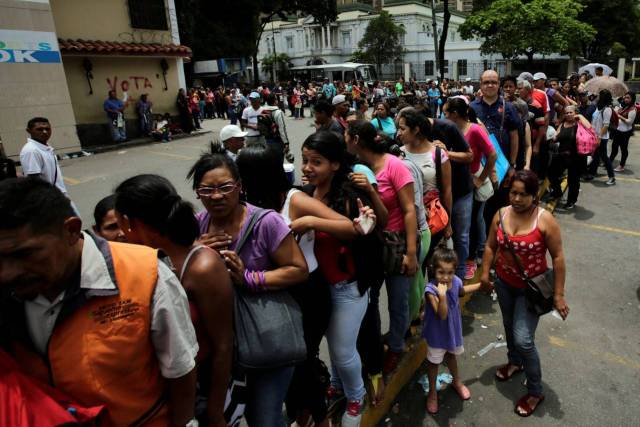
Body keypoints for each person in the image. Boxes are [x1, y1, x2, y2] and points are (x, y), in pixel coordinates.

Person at [0, 178, 199, 426]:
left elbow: (180, 371)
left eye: (24, 254)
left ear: (71, 230)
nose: (6, 273)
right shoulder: (10, 290)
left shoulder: (147, 275)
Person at [236, 144, 372, 427]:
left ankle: (317, 413)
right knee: (282, 361)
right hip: (270, 292)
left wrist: (310, 221)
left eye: (241, 173)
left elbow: (350, 227)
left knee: (301, 358)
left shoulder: (293, 200)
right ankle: (302, 408)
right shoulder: (242, 202)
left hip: (307, 291)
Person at [187, 146, 308, 427]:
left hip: (265, 338)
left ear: (239, 187)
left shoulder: (266, 222)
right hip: (222, 347)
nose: (216, 196)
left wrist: (250, 278)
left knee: (264, 418)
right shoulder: (198, 225)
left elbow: (298, 270)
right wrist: (195, 251)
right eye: (206, 190)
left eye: (224, 187)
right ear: (197, 193)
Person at [114, 174, 234, 427]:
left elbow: (223, 345)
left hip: (200, 389)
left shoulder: (202, 267)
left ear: (129, 223)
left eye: (118, 225)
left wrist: (214, 411)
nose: (119, 235)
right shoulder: (139, 262)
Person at [301, 131, 381, 426]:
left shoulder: (349, 197)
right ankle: (336, 383)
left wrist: (310, 221)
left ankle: (356, 397)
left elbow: (362, 230)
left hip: (348, 288)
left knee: (343, 349)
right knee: (332, 343)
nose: (307, 167)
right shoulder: (306, 194)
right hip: (318, 288)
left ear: (335, 164)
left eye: (316, 162)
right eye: (305, 160)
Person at [480, 170, 569, 417]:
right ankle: (514, 362)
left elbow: (558, 258)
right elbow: (490, 246)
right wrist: (486, 273)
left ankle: (536, 390)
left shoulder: (545, 220)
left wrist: (559, 295)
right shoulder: (500, 214)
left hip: (531, 290)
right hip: (504, 283)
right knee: (509, 325)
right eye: (513, 193)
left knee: (523, 339)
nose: (517, 199)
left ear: (534, 197)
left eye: (523, 194)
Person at [346, 120, 419, 375]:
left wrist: (411, 253)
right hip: (371, 245)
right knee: (371, 302)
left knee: (398, 302)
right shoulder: (357, 168)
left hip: (397, 242)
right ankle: (375, 348)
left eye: (346, 136)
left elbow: (410, 210)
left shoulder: (394, 165)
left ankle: (397, 346)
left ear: (355, 140)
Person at [423, 247, 488, 414]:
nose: (445, 277)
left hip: (452, 331)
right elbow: (442, 315)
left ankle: (456, 382)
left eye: (450, 272)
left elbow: (461, 290)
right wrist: (442, 296)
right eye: (441, 272)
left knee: (451, 356)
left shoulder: (456, 281)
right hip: (437, 335)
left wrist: (481, 285)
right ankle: (432, 393)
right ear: (433, 270)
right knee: (434, 363)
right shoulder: (431, 291)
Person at [444, 97, 497, 279]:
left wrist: (481, 179)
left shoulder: (474, 129)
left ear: (455, 114)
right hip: (455, 182)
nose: (443, 117)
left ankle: (473, 258)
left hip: (471, 180)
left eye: (445, 113)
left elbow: (492, 155)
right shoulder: (450, 130)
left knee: (473, 223)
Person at [397, 109, 453, 261]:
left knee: (430, 262)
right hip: (406, 221)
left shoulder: (438, 154)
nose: (398, 133)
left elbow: (447, 190)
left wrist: (448, 224)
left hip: (433, 221)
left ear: (416, 130)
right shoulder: (398, 154)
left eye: (402, 129)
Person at [547, 105, 591, 209]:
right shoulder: (562, 124)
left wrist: (579, 115)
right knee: (551, 173)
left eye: (571, 112)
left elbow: (589, 127)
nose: (568, 114)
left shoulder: (579, 124)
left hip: (576, 157)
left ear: (575, 113)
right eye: (566, 113)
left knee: (573, 181)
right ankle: (557, 192)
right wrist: (553, 138)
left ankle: (571, 201)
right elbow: (556, 137)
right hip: (562, 155)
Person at [585, 89, 616, 185]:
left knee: (604, 157)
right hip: (594, 136)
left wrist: (599, 138)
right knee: (595, 156)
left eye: (599, 95)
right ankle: (592, 174)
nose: (597, 97)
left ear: (603, 97)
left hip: (601, 138)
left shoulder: (607, 109)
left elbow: (606, 125)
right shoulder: (598, 108)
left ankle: (611, 177)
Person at [610, 91, 637, 172]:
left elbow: (629, 122)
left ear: (632, 99)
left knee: (623, 149)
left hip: (625, 132)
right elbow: (616, 113)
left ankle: (622, 165)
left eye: (628, 98)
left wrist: (619, 116)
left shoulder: (633, 109)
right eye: (625, 97)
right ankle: (609, 161)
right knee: (614, 147)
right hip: (618, 130)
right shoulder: (622, 106)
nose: (625, 99)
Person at [262, 93, 292, 163]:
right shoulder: (278, 112)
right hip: (276, 141)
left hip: (265, 141)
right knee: (278, 163)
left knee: (269, 163)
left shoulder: (263, 111)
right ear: (275, 101)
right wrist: (286, 143)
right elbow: (282, 129)